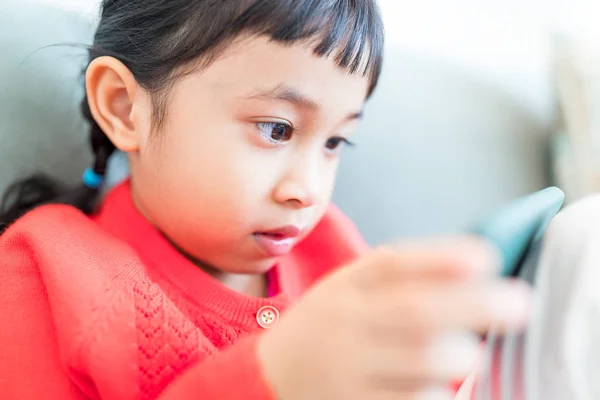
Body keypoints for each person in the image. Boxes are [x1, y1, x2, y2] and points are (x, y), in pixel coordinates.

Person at [0, 1, 530, 399]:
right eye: (276, 129)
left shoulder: (328, 246)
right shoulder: (44, 269)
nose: (308, 190)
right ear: (123, 107)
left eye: (333, 143)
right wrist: (274, 375)